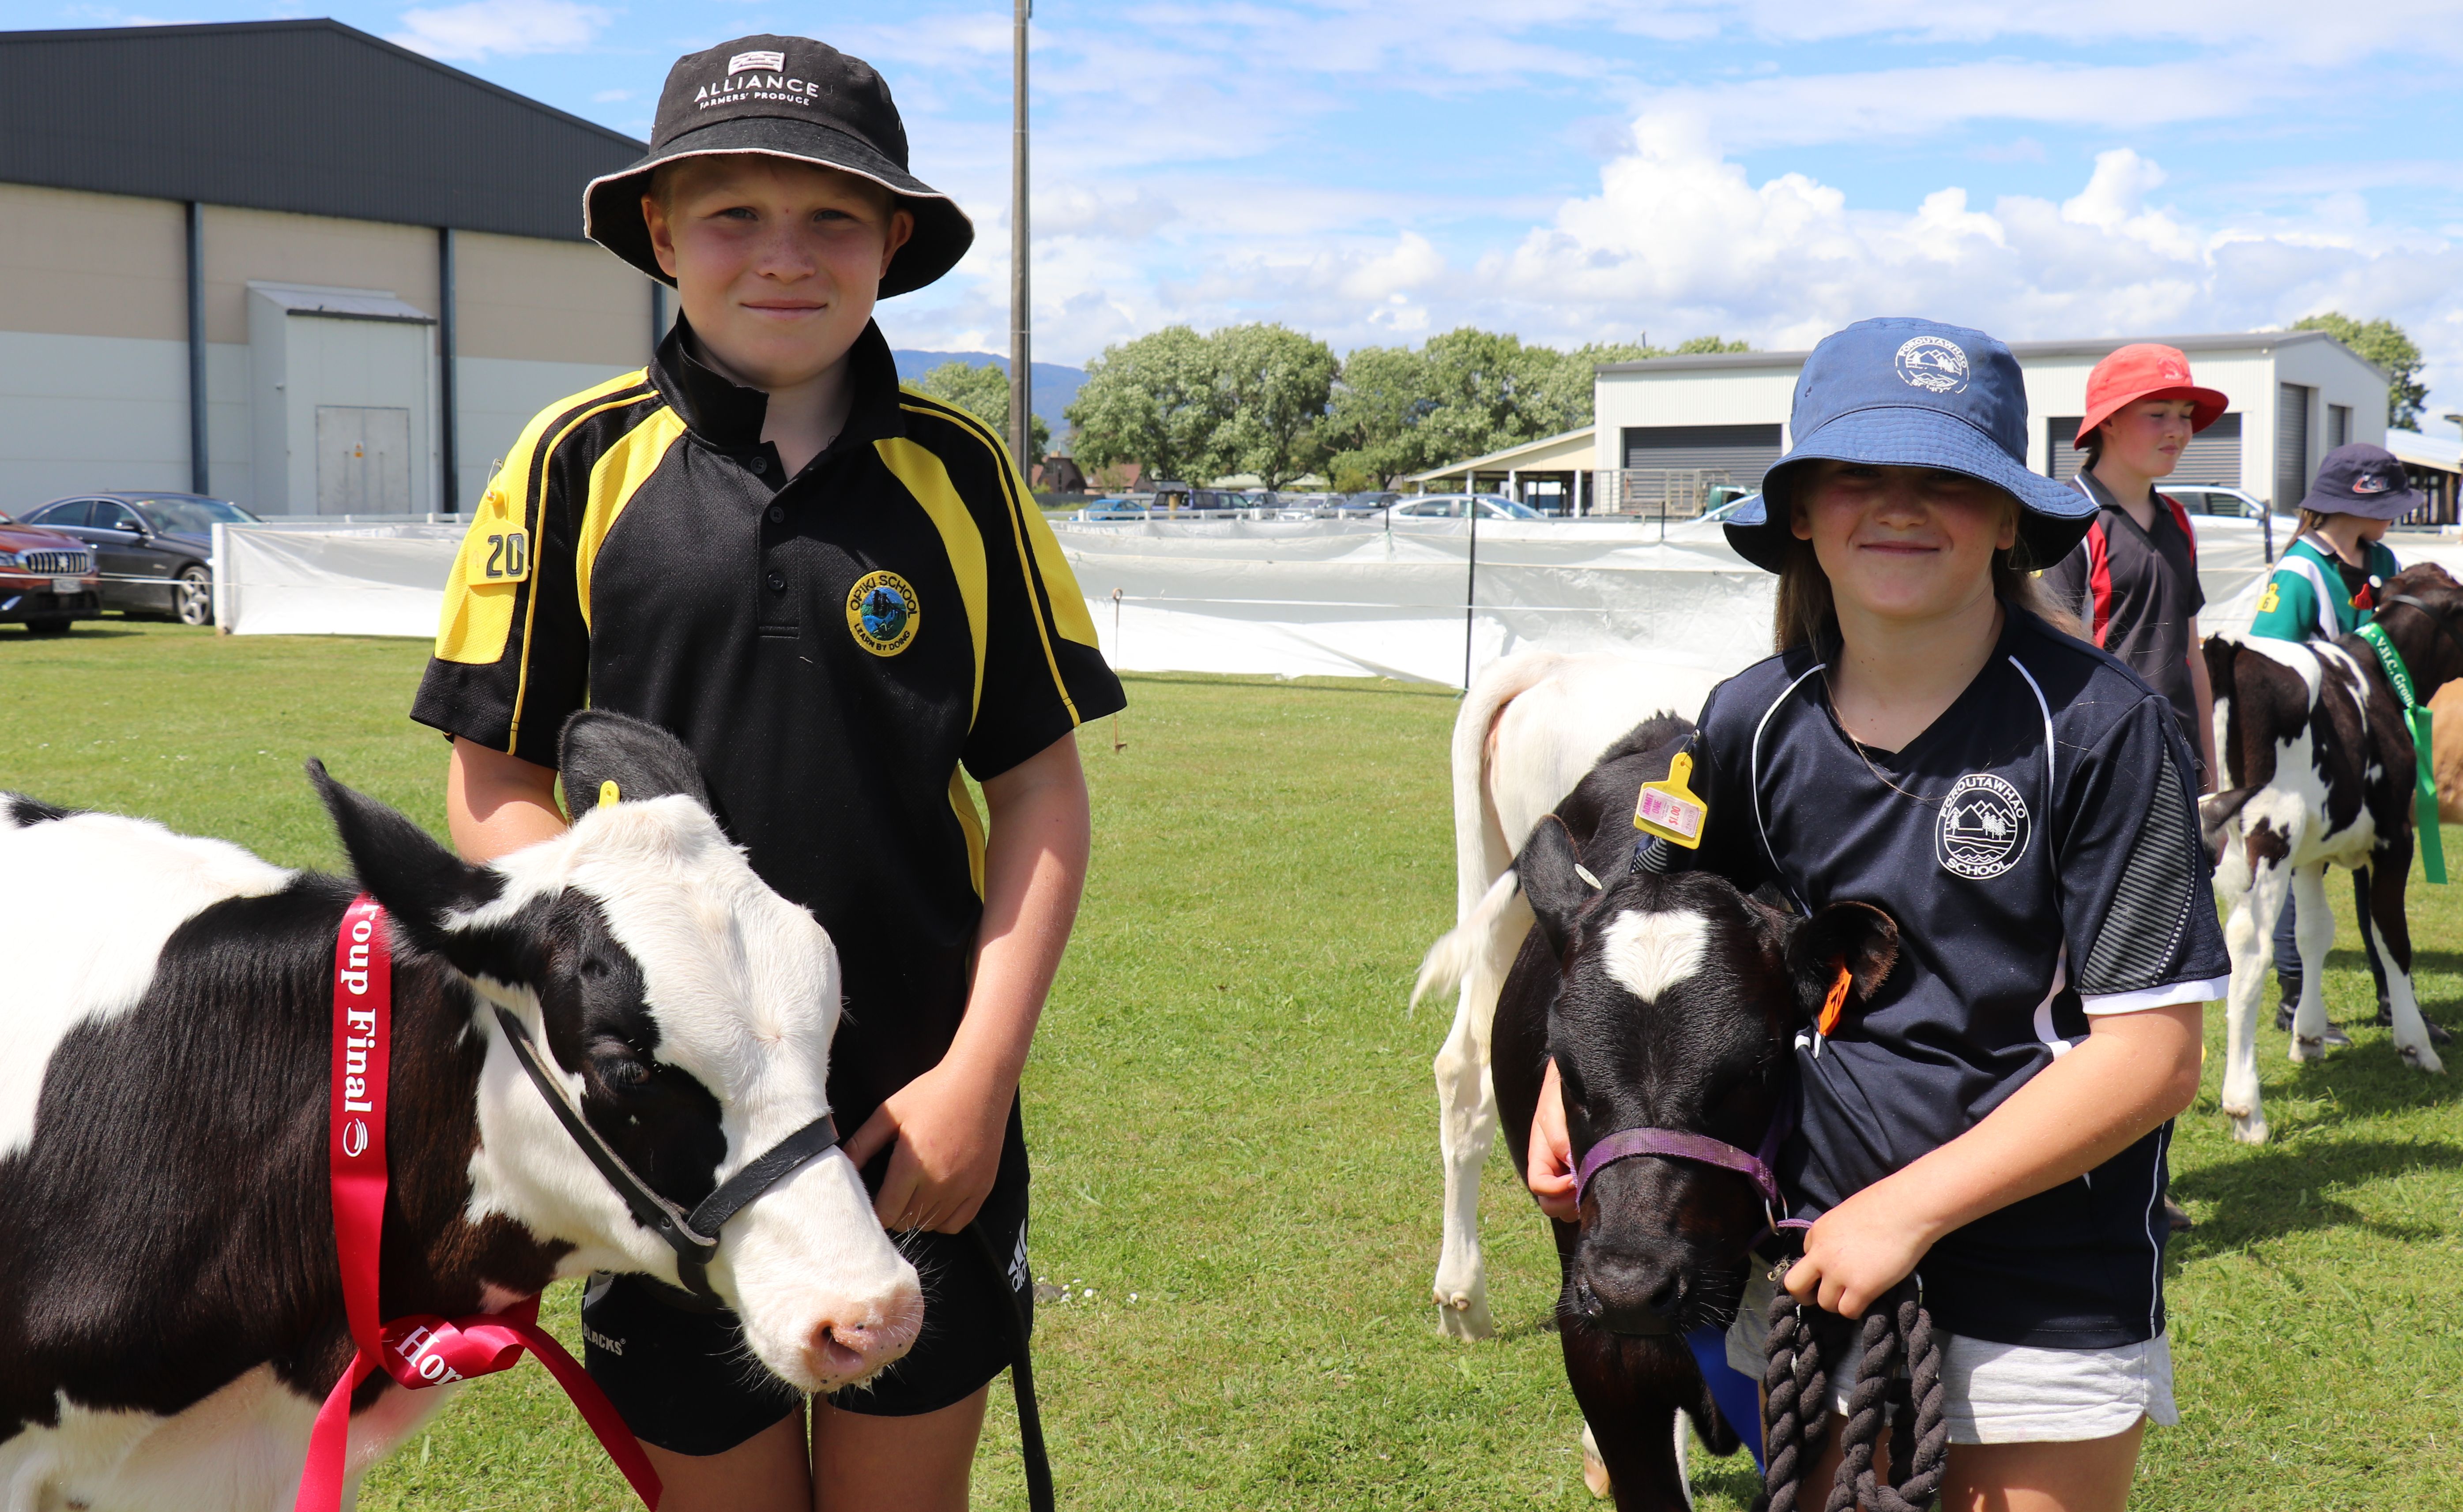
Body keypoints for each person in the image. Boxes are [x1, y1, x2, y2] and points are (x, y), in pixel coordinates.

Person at [410, 35, 1124, 1512]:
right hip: (672, 1146)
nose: (783, 258)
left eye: (833, 220)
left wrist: (977, 1077)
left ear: (895, 244)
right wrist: (608, 1027)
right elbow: (495, 785)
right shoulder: (568, 464)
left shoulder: (966, 476)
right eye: (734, 214)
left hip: (909, 1124)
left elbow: (1042, 795)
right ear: (663, 234)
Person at [1529, 318, 2225, 1511]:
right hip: (1807, 1259)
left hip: (2039, 1274)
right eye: (1858, 475)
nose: (1899, 508)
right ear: (1800, 511)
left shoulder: (2106, 733)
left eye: (1946, 481)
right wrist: (1569, 1081)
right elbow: (1646, 913)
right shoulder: (1746, 720)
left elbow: (2151, 1059)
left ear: (2009, 518)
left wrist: (1904, 1212)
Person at [2246, 441, 2450, 1045]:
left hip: (2375, 743)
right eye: (2391, 502)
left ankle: (2395, 998)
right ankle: (2293, 1001)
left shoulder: (2384, 558)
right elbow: (2267, 660)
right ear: (2354, 504)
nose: (2399, 513)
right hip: (2312, 749)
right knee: (2292, 867)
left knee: (2384, 866)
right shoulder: (2300, 572)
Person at [2040, 343, 2227, 786]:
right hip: (2100, 769)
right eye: (2158, 414)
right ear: (2107, 420)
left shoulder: (2180, 521)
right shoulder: (2067, 520)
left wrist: (2210, 774)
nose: (2177, 431)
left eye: (2185, 415)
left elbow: (2191, 657)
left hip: (2179, 763)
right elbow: (2048, 671)